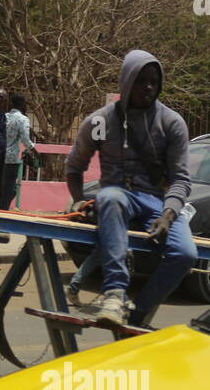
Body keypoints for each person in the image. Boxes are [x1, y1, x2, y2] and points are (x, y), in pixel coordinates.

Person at [64, 51, 197, 327]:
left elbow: (181, 180)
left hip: (158, 201)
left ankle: (138, 313)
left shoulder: (172, 123)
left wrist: (168, 215)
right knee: (109, 196)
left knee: (186, 254)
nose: (148, 87)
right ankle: (114, 293)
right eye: (141, 81)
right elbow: (74, 166)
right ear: (126, 82)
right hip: (118, 196)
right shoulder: (100, 121)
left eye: (153, 82)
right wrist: (78, 201)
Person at [1, 94, 36, 210]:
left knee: (1, 186)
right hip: (11, 159)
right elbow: (25, 139)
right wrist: (34, 150)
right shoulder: (23, 119)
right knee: (11, 188)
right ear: (21, 104)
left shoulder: (4, 116)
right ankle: (2, 210)